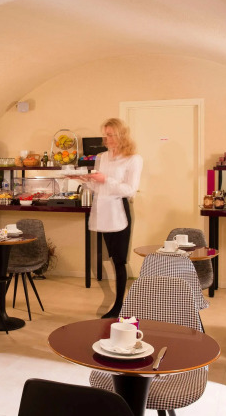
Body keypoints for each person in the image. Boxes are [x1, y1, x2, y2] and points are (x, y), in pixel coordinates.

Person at [79, 118, 143, 318]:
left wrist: (106, 179)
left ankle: (119, 305)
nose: (106, 139)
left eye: (110, 135)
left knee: (119, 260)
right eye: (105, 135)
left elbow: (130, 190)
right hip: (103, 211)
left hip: (120, 211)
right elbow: (98, 187)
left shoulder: (133, 159)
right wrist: (84, 180)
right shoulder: (102, 157)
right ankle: (118, 303)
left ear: (121, 135)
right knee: (112, 258)